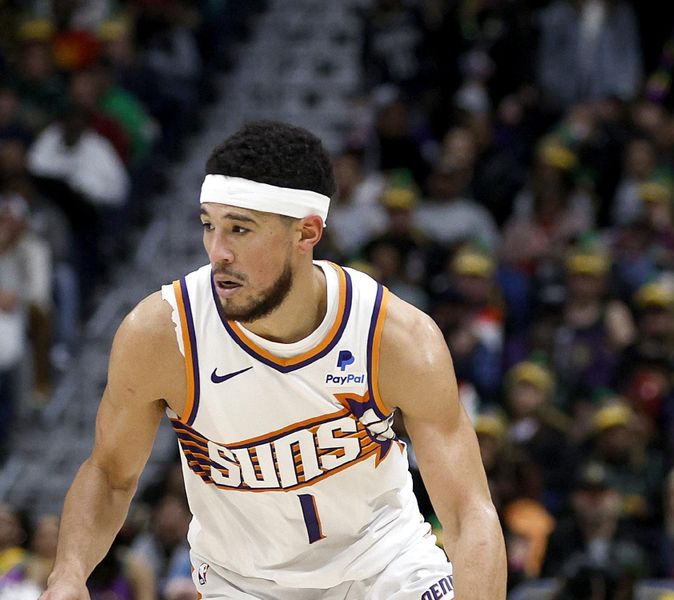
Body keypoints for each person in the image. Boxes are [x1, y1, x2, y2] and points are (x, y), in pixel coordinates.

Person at [41, 120, 506, 600]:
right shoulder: (163, 335)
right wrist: (69, 574)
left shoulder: (394, 337)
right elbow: (110, 474)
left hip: (385, 571)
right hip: (244, 585)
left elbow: (469, 511)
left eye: (239, 229)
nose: (217, 252)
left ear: (306, 232)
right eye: (209, 225)